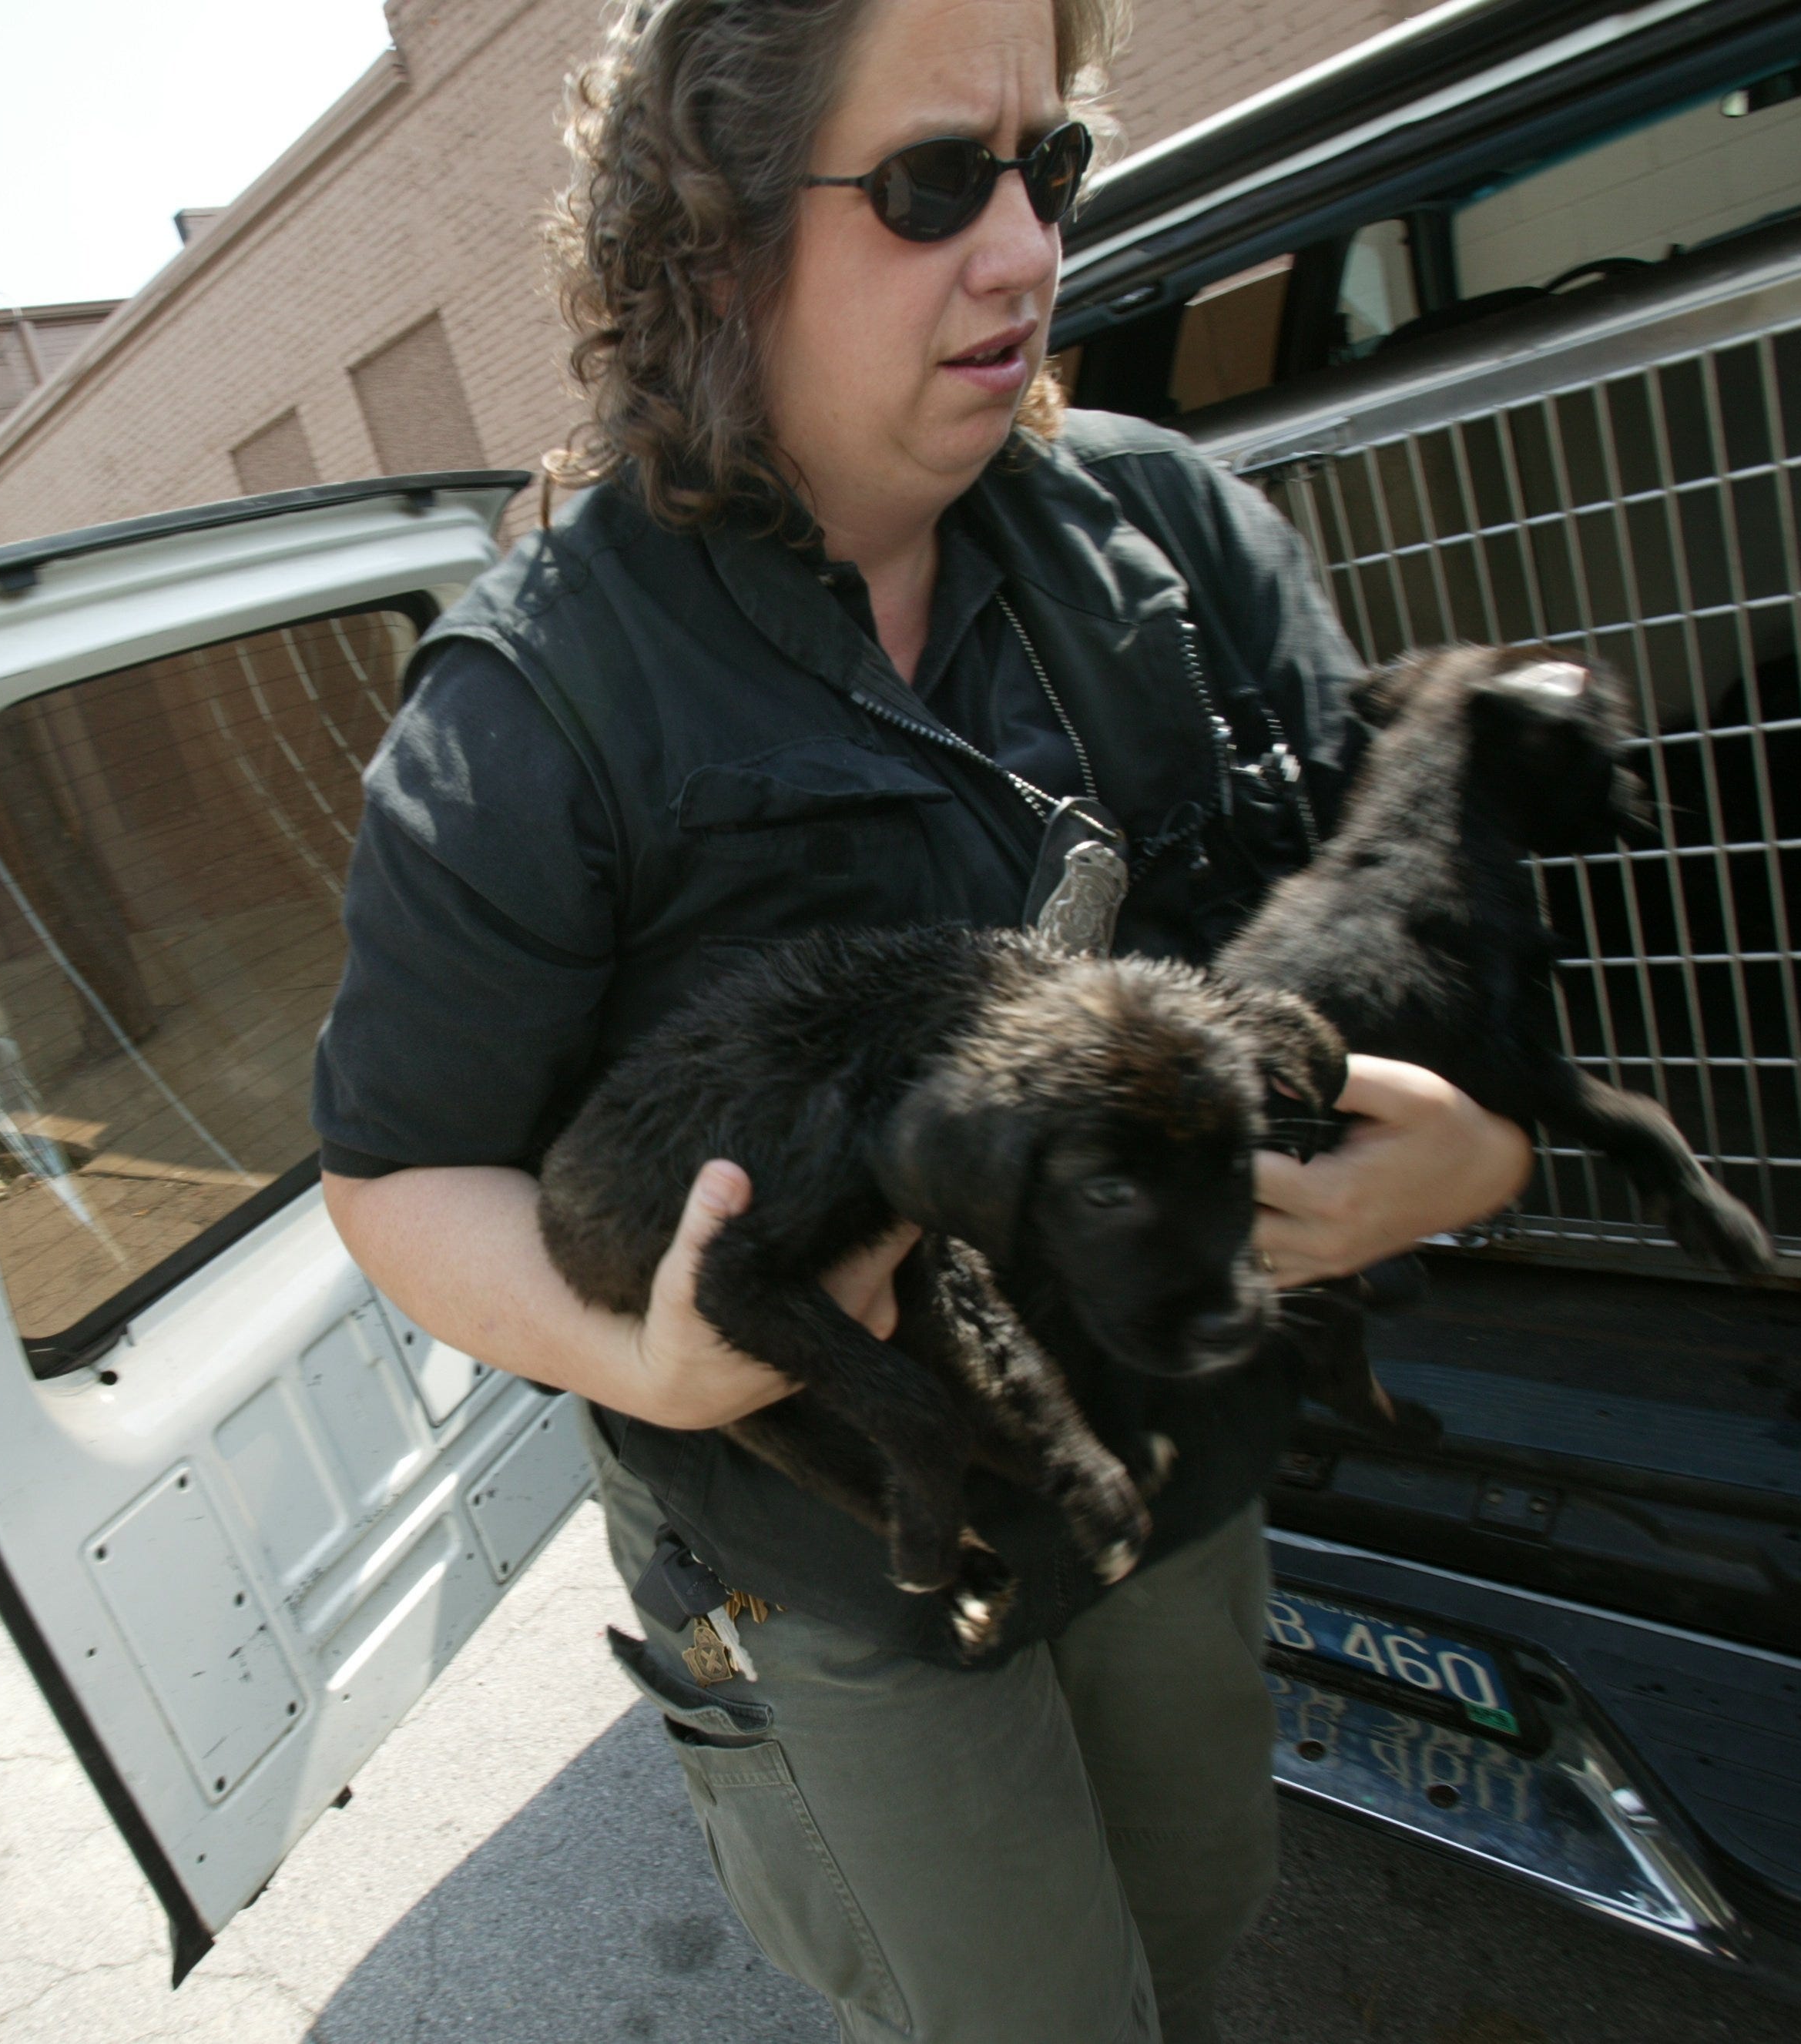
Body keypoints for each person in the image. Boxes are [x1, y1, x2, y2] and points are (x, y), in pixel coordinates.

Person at [315, 0, 1534, 2036]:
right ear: (710, 232)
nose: (1025, 251)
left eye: (1044, 167)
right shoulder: (533, 706)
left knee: (1194, 1911)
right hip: (835, 1539)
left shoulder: (1169, 530)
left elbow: (1387, 891)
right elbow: (396, 1171)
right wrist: (651, 1352)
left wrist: (1477, 1139)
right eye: (931, 185)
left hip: (1163, 1454)